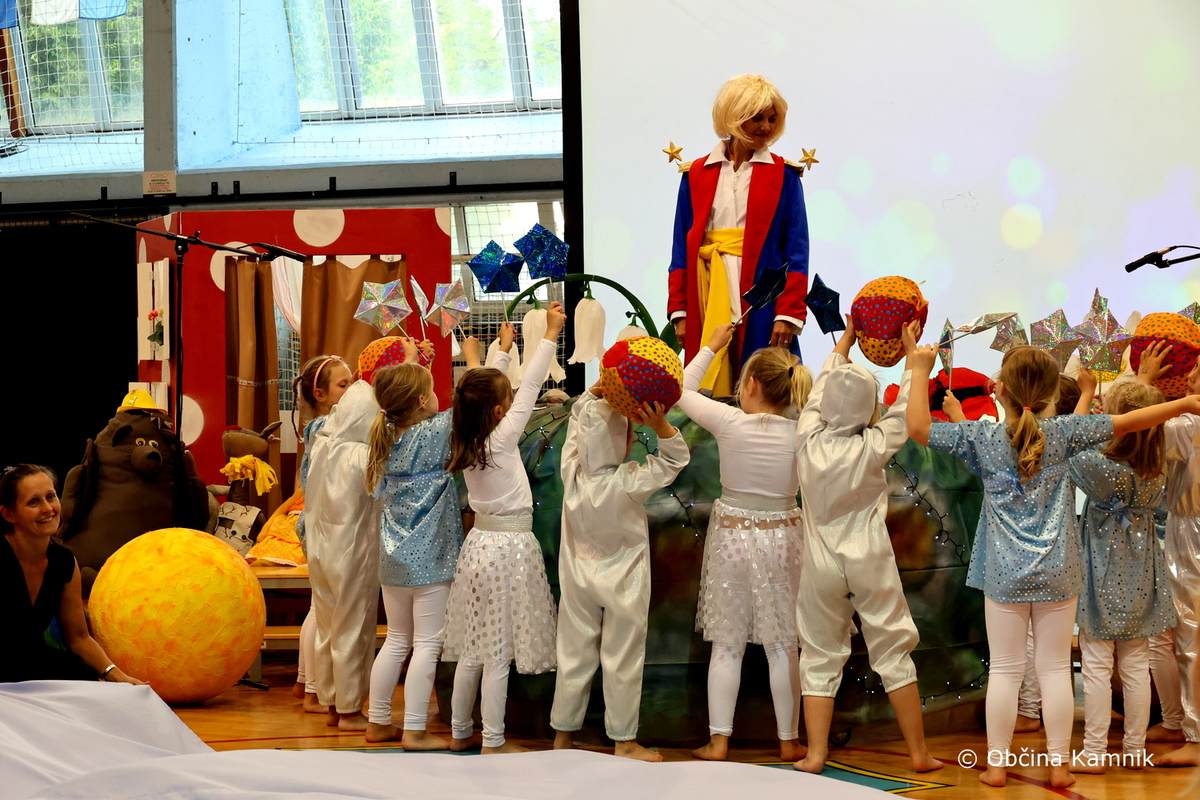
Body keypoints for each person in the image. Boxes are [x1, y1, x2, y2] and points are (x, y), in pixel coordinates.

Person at [907, 337, 1200, 788]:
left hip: (1004, 576)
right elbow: (1129, 421)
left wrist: (918, 368)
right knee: (1054, 670)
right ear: (1049, 392)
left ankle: (997, 766)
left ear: (999, 389)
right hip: (1058, 575)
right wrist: (1185, 403)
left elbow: (917, 428)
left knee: (1006, 670)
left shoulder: (982, 437)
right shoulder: (1063, 433)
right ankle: (1060, 766)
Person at [793, 318, 940, 775]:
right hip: (869, 557)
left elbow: (821, 388)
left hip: (819, 563)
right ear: (869, 407)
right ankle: (918, 754)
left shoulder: (806, 437)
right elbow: (903, 410)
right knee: (893, 647)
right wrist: (913, 360)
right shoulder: (874, 443)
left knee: (819, 653)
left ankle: (815, 754)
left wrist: (848, 339)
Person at [680, 323, 810, 762]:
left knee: (727, 644)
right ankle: (789, 741)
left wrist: (712, 346)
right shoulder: (801, 431)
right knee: (784, 644)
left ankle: (719, 741)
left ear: (750, 385)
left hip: (733, 540)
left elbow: (681, 390)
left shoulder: (730, 422)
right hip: (785, 541)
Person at [441, 302, 567, 754]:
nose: (514, 403)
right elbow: (531, 384)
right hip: (509, 550)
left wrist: (497, 353)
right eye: (507, 402)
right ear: (499, 411)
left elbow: (479, 391)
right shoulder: (503, 437)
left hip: (478, 547)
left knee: (473, 650)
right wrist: (549, 334)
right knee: (496, 653)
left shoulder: (467, 433)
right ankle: (493, 740)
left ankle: (460, 732)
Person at [362, 334, 495, 748]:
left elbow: (413, 399)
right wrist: (472, 358)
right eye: (431, 390)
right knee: (427, 644)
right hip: (432, 562)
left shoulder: (385, 433)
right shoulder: (437, 431)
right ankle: (415, 730)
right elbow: (472, 401)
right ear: (421, 401)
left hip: (393, 563)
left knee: (396, 640)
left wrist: (419, 363)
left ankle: (378, 722)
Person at [550, 383, 690, 762]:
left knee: (573, 653)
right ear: (624, 441)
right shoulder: (628, 479)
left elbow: (576, 427)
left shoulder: (572, 473)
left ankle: (563, 735)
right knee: (623, 657)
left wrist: (590, 397)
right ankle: (624, 741)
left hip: (578, 579)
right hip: (624, 581)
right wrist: (660, 426)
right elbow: (675, 460)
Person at [667, 74, 809, 396]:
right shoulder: (696, 174)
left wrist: (788, 313)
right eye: (757, 118)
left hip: (763, 299)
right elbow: (680, 248)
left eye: (772, 119)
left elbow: (797, 251)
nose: (766, 127)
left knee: (767, 389)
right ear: (732, 116)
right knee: (707, 391)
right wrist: (680, 311)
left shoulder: (784, 176)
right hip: (706, 292)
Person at [1066, 380, 1176, 773]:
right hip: (1142, 573)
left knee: (1097, 663)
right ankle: (1134, 749)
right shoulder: (1156, 471)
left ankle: (1095, 752)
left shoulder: (1099, 468)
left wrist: (1087, 402)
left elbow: (1068, 440)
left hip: (1102, 574)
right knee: (1136, 664)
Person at [305, 351, 390, 731]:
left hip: (321, 547)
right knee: (353, 625)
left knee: (328, 625)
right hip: (352, 548)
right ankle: (351, 709)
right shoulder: (362, 453)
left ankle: (332, 703)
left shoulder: (324, 441)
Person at [1, 464, 145, 686]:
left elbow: (79, 638)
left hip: (30, 660)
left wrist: (117, 675)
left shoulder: (64, 562)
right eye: (33, 502)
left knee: (84, 675)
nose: (48, 508)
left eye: (51, 497)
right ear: (9, 514)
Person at [1134, 341, 1200, 765]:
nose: (1189, 376)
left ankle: (1196, 736)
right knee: (1171, 630)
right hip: (1184, 529)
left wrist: (1143, 382)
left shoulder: (1189, 424)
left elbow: (1135, 433)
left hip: (1192, 533)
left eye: (1197, 371)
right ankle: (1178, 720)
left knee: (1190, 633)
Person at [291, 354, 353, 714]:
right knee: (322, 611)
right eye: (343, 385)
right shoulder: (326, 426)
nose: (352, 390)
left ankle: (305, 681)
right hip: (323, 526)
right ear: (320, 394)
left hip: (321, 523)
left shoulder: (323, 424)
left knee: (318, 608)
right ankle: (315, 692)